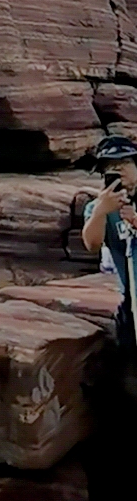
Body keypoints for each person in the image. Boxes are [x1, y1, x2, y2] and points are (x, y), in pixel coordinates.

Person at [82, 133, 137, 351]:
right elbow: (92, 245)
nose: (119, 170)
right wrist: (100, 213)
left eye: (125, 163)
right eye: (111, 166)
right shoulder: (98, 208)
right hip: (131, 302)